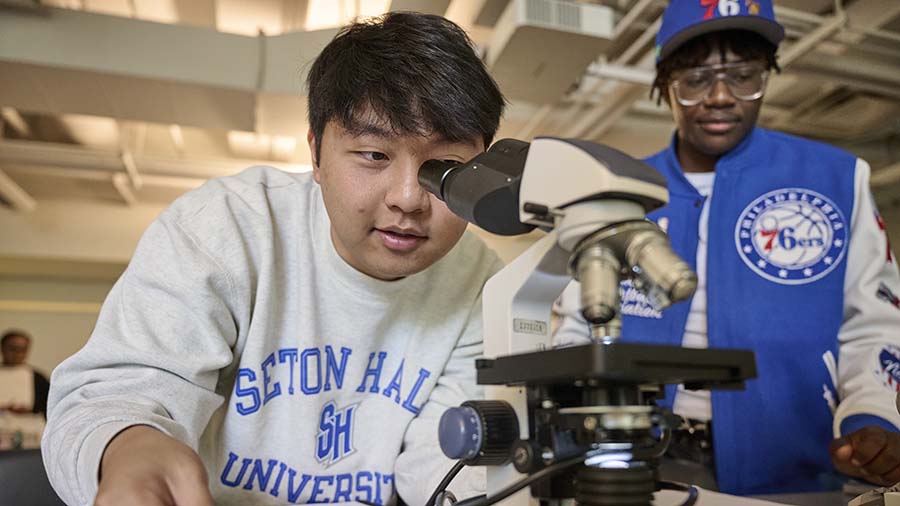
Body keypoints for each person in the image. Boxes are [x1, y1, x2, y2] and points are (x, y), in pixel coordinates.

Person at [42, 12, 506, 506]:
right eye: (373, 155)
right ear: (316, 154)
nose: (409, 198)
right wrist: (127, 447)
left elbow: (442, 463)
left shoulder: (483, 285)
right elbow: (116, 395)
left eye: (448, 168)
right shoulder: (226, 227)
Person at [554, 0, 900, 495]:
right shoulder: (620, 191)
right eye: (695, 79)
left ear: (768, 73)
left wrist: (873, 414)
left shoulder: (837, 178)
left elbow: (874, 323)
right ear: (664, 84)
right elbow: (574, 328)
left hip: (796, 469)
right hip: (640, 466)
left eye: (743, 75)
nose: (720, 96)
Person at [0, 329, 50, 417]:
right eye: (13, 348)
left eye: (22, 349)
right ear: (2, 348)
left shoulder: (38, 378)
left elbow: (48, 406)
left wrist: (31, 410)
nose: (17, 353)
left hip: (30, 427)